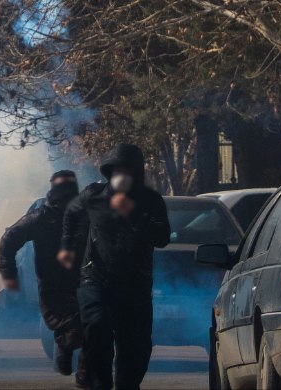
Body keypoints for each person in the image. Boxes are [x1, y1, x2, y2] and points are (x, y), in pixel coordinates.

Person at [58, 144, 170, 390]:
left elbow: (162, 237)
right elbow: (71, 213)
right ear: (109, 171)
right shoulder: (93, 195)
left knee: (135, 351)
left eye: (127, 170)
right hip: (96, 279)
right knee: (96, 329)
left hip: (135, 287)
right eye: (117, 169)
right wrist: (67, 246)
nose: (122, 175)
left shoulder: (150, 201)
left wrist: (133, 214)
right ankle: (97, 382)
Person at [0, 170, 87, 387]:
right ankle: (66, 356)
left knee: (85, 326)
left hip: (80, 281)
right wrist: (9, 273)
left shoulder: (83, 216)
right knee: (70, 325)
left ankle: (81, 371)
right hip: (54, 283)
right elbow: (10, 240)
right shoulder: (42, 217)